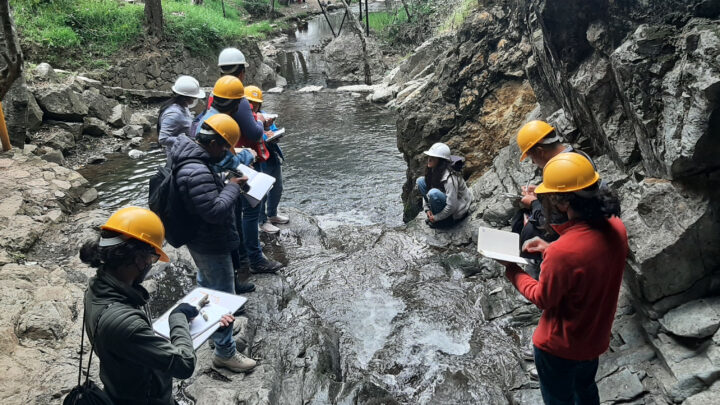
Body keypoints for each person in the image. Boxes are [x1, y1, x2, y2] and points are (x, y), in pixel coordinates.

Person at [500, 153, 628, 405]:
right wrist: (550, 249)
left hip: (559, 347)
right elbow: (589, 260)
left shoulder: (564, 252)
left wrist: (512, 268)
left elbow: (542, 298)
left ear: (561, 202)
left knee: (560, 399)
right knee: (586, 388)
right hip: (594, 336)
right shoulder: (616, 227)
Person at [81, 206, 234, 404]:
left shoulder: (96, 288)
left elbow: (129, 342)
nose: (151, 264)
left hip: (119, 389)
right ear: (139, 258)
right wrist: (178, 319)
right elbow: (184, 365)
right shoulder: (125, 323)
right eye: (153, 258)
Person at [168, 113, 257, 373]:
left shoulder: (190, 155)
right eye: (226, 147)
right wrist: (232, 187)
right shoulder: (196, 171)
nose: (227, 153)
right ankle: (225, 353)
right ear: (215, 144)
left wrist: (224, 180)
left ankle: (210, 329)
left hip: (198, 239)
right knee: (222, 296)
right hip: (209, 241)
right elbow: (214, 211)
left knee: (206, 285)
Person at [212, 48, 283, 274]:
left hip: (223, 158)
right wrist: (260, 120)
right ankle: (255, 258)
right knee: (251, 211)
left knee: (236, 211)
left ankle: (242, 255)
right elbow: (253, 133)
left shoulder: (214, 95)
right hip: (244, 160)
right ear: (242, 72)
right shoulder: (239, 99)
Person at [512, 120, 595, 280]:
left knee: (525, 225)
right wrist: (541, 191)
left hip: (574, 229)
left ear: (540, 152)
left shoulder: (562, 168)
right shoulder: (578, 156)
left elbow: (553, 219)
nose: (534, 163)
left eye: (532, 158)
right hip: (586, 219)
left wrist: (534, 202)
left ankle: (542, 271)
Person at [244, 85, 289, 234]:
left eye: (257, 103)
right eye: (251, 102)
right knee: (261, 190)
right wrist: (265, 135)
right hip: (258, 158)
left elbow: (273, 130)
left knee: (277, 187)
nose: (255, 106)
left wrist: (274, 135)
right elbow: (250, 137)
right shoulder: (245, 118)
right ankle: (262, 221)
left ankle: (272, 214)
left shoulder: (264, 115)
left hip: (272, 154)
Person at [415, 142, 472, 228]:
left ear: (441, 161)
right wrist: (427, 209)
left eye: (433, 158)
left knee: (433, 193)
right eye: (429, 156)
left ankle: (445, 221)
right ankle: (436, 214)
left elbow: (452, 206)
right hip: (443, 198)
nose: (429, 159)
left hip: (456, 210)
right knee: (420, 181)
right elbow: (428, 188)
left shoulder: (450, 178)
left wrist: (436, 218)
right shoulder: (433, 170)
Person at [158, 76, 205, 156]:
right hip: (177, 155)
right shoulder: (173, 114)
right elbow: (163, 139)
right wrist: (187, 141)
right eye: (193, 98)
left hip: (186, 151)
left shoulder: (183, 107)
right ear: (185, 98)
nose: (194, 100)